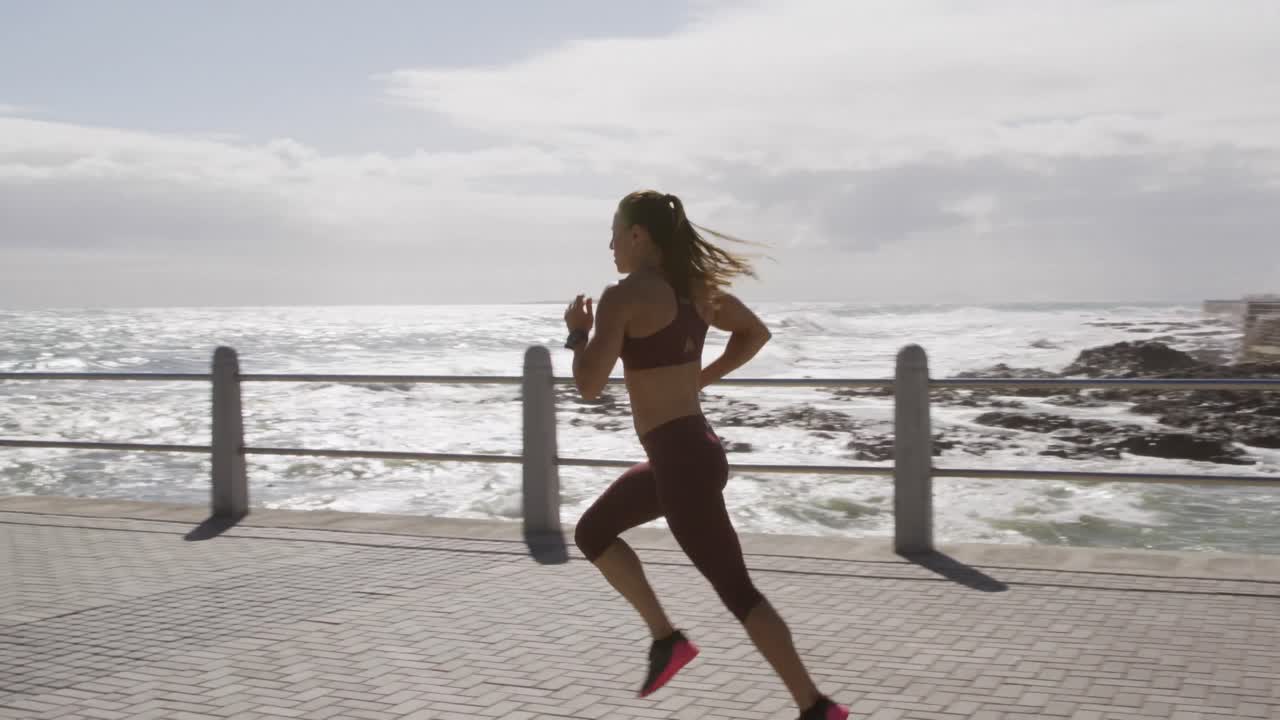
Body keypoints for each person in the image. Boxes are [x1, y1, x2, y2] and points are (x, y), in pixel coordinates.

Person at [562, 190, 850, 720]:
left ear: (637, 236)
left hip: (682, 463)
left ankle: (816, 706)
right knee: (592, 532)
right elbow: (754, 333)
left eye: (614, 233)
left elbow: (588, 384)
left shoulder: (623, 297)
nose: (609, 245)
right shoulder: (697, 292)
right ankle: (666, 641)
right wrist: (702, 376)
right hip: (692, 452)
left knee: (739, 593)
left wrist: (577, 335)